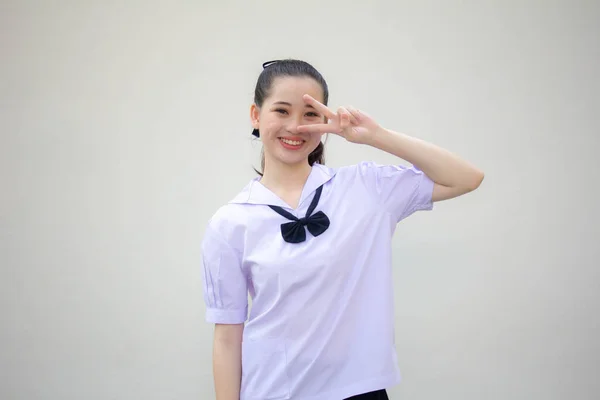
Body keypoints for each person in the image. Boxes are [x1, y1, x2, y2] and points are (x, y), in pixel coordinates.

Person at [201, 59, 484, 400]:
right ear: (256, 115)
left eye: (310, 114)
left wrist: (376, 136)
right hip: (272, 392)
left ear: (325, 121)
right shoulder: (230, 222)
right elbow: (227, 337)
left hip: (358, 392)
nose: (295, 127)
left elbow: (466, 177)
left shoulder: (366, 188)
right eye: (281, 110)